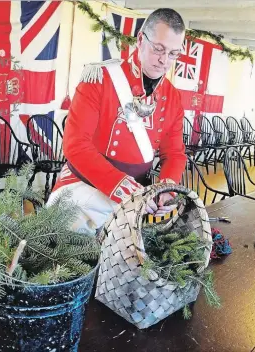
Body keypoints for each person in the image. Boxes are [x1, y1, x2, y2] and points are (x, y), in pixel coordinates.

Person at [47, 8, 187, 234]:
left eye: (173, 54)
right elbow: (76, 146)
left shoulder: (172, 96)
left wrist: (165, 190)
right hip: (84, 184)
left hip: (135, 196)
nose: (164, 61)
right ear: (141, 40)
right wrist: (124, 189)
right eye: (159, 49)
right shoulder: (99, 78)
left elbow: (174, 154)